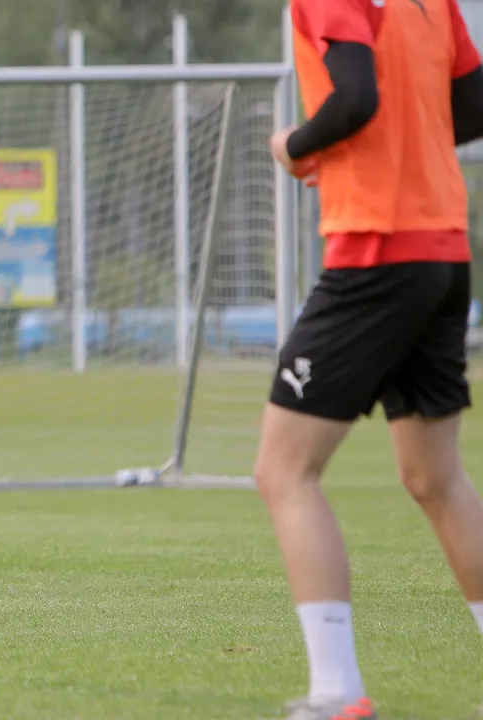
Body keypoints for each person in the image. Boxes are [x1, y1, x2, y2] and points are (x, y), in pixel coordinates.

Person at [259, 1, 483, 717]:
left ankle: (336, 692)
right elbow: (473, 107)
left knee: (284, 471)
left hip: (376, 253)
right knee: (435, 478)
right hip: (443, 251)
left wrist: (296, 145)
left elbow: (354, 98)